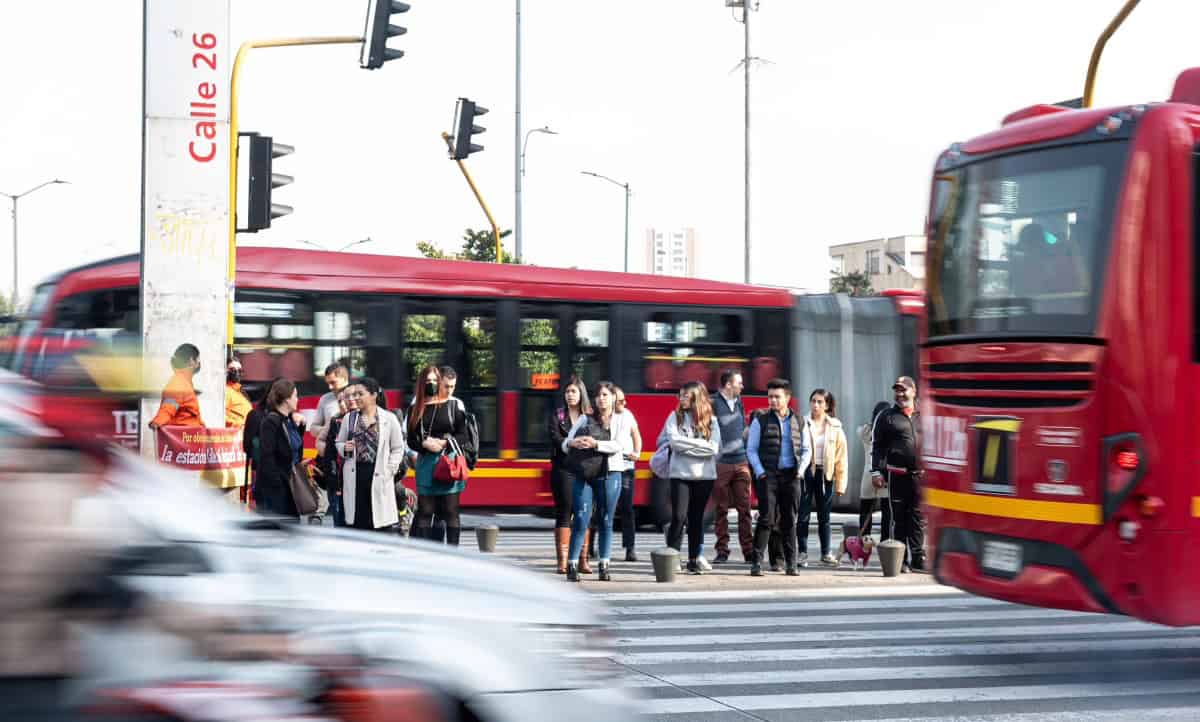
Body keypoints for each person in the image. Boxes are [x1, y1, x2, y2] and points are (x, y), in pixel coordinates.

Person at [562, 382, 630, 582]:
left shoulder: (622, 419)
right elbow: (566, 443)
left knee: (606, 520)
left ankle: (604, 565)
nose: (601, 399)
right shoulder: (585, 418)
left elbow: (619, 445)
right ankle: (572, 565)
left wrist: (596, 444)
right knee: (581, 518)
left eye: (605, 395)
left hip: (610, 474)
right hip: (584, 474)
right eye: (598, 395)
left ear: (613, 398)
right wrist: (573, 443)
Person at [746, 378, 811, 576]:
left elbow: (807, 449)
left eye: (777, 397)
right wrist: (760, 472)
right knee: (766, 519)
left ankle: (791, 564)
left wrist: (800, 470)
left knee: (789, 521)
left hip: (792, 476)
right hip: (769, 477)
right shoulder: (760, 420)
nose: (773, 400)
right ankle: (756, 562)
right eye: (770, 397)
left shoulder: (799, 421)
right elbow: (751, 449)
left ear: (787, 398)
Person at [658, 381, 721, 575]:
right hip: (680, 475)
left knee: (696, 518)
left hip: (704, 476)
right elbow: (674, 443)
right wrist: (700, 446)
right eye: (680, 395)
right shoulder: (674, 417)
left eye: (685, 395)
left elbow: (714, 448)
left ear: (696, 398)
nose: (681, 399)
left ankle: (693, 560)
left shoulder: (711, 420)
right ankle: (672, 557)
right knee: (678, 516)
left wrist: (687, 446)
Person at [408, 365, 471, 545]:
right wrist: (424, 444)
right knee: (425, 511)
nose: (432, 384)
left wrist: (444, 443)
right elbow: (411, 439)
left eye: (435, 381)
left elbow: (464, 435)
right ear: (422, 383)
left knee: (451, 511)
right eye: (428, 381)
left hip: (448, 463)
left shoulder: (453, 405)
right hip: (426, 464)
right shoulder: (416, 407)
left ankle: (452, 554)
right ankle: (425, 553)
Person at [871, 376, 925, 572]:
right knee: (898, 518)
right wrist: (876, 472)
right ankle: (900, 559)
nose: (900, 394)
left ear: (914, 391)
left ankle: (918, 557)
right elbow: (877, 446)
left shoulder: (925, 414)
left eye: (903, 390)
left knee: (918, 517)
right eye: (897, 390)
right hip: (897, 474)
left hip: (921, 476)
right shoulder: (886, 416)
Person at [336, 377, 405, 532]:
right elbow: (339, 442)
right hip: (356, 476)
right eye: (354, 394)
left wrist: (390, 469)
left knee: (380, 524)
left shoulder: (389, 419)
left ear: (373, 395)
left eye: (360, 394)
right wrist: (344, 448)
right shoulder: (349, 418)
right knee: (358, 524)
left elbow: (398, 448)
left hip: (380, 475)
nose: (355, 398)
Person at [796, 388, 849, 566]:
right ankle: (802, 553)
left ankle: (826, 553)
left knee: (824, 517)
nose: (816, 405)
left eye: (820, 402)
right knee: (803, 515)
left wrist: (841, 484)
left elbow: (841, 457)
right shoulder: (802, 423)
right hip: (806, 472)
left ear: (827, 405)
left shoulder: (835, 427)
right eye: (813, 401)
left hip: (825, 474)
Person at [547, 375, 591, 573]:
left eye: (573, 391)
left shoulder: (589, 416)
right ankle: (563, 561)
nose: (570, 395)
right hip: (563, 468)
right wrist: (570, 443)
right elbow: (554, 438)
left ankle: (583, 560)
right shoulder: (558, 415)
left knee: (584, 513)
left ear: (581, 394)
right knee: (564, 511)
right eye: (567, 392)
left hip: (585, 469)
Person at [711, 369, 753, 564]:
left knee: (745, 509)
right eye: (739, 383)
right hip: (722, 463)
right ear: (728, 385)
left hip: (741, 461)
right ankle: (722, 551)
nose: (742, 386)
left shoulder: (739, 402)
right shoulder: (713, 403)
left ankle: (749, 551)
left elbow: (741, 429)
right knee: (721, 510)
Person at [253, 378, 308, 519]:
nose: (297, 399)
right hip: (276, 489)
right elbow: (267, 456)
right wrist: (277, 484)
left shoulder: (289, 420)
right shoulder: (271, 421)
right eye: (295, 396)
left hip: (290, 485)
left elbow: (293, 446)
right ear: (286, 399)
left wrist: (301, 426)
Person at [308, 362, 351, 524]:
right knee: (337, 510)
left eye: (333, 382)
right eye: (328, 383)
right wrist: (329, 428)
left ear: (344, 378)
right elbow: (313, 428)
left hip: (351, 462)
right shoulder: (325, 400)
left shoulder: (356, 396)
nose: (330, 387)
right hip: (332, 460)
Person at [316, 386, 357, 527]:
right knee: (341, 523)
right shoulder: (336, 421)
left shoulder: (365, 419)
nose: (345, 403)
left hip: (356, 482)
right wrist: (334, 483)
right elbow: (328, 451)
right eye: (341, 400)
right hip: (339, 482)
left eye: (352, 396)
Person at [613, 386, 642, 562]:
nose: (625, 403)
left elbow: (636, 435)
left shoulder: (628, 415)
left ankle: (630, 548)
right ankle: (591, 546)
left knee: (627, 508)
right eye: (621, 401)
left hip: (626, 467)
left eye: (624, 400)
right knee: (602, 508)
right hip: (608, 466)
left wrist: (637, 452)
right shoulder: (604, 416)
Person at [148, 342, 203, 430]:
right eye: (198, 360)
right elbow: (168, 406)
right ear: (191, 361)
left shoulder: (185, 382)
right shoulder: (178, 383)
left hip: (190, 435)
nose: (199, 363)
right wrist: (157, 422)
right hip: (183, 436)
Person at [858, 401, 892, 539]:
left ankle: (864, 542)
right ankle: (885, 542)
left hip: (868, 474)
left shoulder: (866, 431)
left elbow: (859, 430)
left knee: (865, 511)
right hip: (884, 474)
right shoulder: (890, 432)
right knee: (887, 512)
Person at [224, 358, 252, 428]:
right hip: (236, 432)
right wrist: (239, 425)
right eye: (233, 369)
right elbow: (220, 416)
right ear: (226, 371)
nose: (236, 372)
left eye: (239, 370)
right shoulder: (226, 391)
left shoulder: (241, 392)